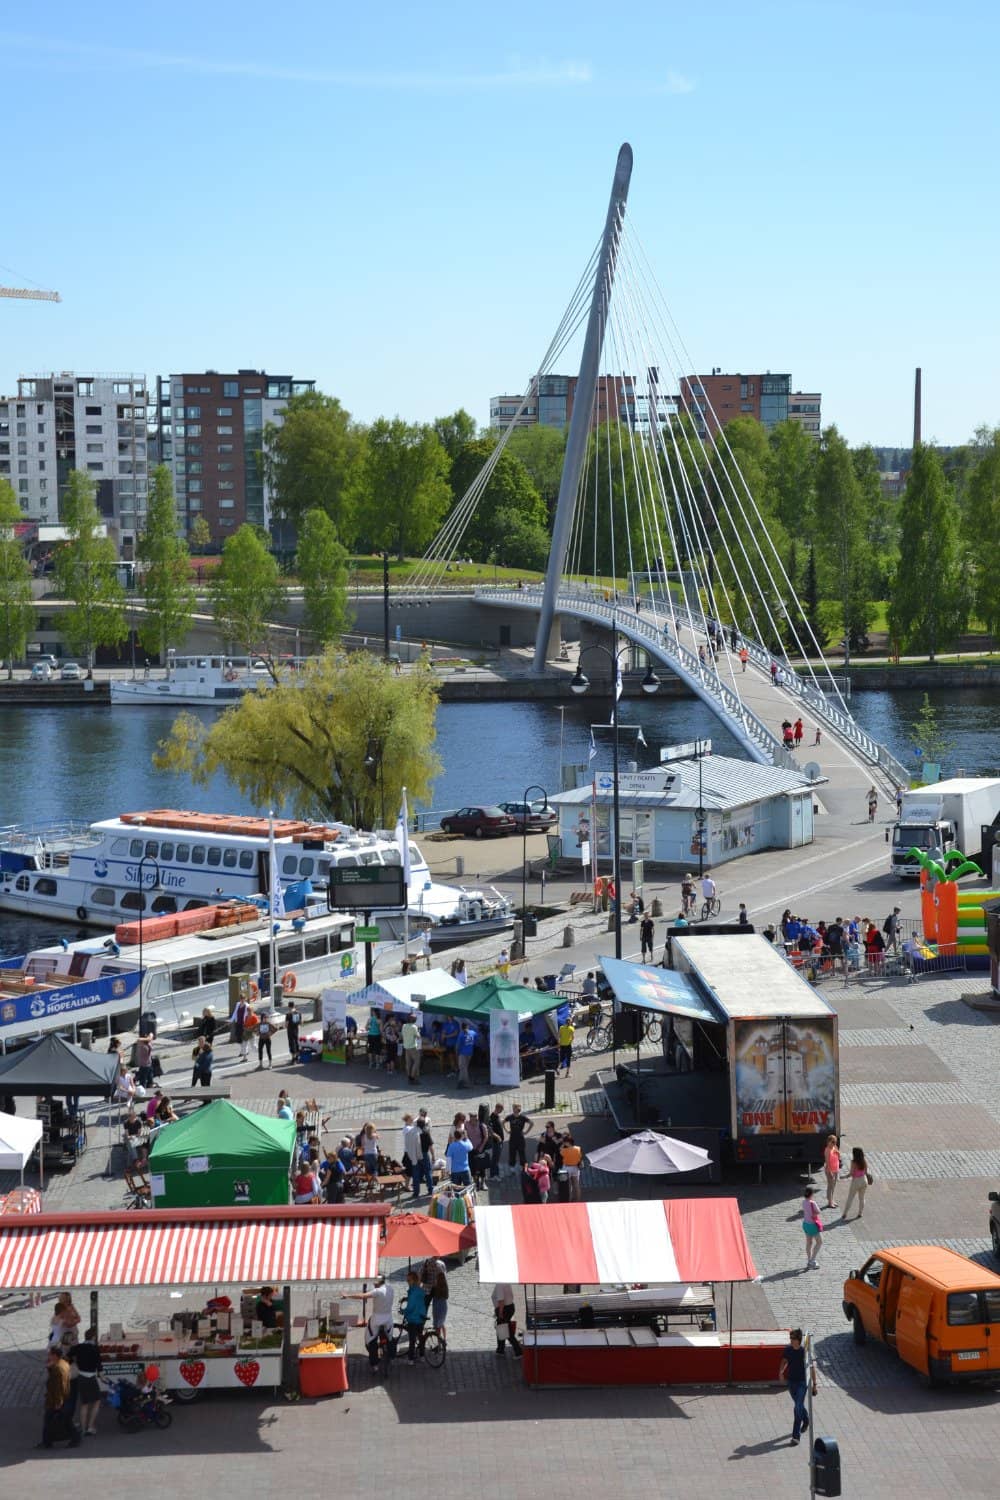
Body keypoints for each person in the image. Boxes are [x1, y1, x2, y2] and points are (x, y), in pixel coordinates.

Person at [778, 1328, 815, 1446]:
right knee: (798, 1405)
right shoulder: (788, 1349)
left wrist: (815, 1385)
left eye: (792, 1339)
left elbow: (812, 1367)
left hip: (802, 1383)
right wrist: (781, 1372)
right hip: (791, 1382)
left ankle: (795, 1436)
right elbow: (784, 1361)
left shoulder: (804, 1352)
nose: (791, 1341)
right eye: (790, 1338)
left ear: (798, 1340)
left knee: (797, 1407)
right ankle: (806, 1419)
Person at [38, 1347, 79, 1449]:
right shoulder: (62, 1364)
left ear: (55, 1356)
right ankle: (48, 1441)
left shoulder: (58, 1369)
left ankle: (47, 1442)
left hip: (56, 1400)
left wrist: (58, 1402)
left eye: (50, 1354)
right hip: (61, 1398)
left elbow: (58, 1387)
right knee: (64, 1420)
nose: (48, 1356)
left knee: (51, 1421)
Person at [74, 1325, 102, 1437]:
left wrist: (76, 1363)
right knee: (97, 1401)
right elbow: (99, 1369)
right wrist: (104, 1379)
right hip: (90, 1378)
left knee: (84, 1403)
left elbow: (69, 1356)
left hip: (81, 1377)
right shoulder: (95, 1349)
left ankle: (83, 1428)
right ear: (94, 1337)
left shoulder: (78, 1347)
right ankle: (90, 1427)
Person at [402, 1270, 428, 1361]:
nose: (407, 1282)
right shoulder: (420, 1290)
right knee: (420, 1337)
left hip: (413, 1318)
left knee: (412, 1340)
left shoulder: (413, 1293)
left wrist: (403, 1311)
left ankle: (411, 1359)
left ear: (413, 1280)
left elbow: (411, 1307)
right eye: (407, 1280)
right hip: (421, 1316)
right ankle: (422, 1356)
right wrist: (407, 1297)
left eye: (409, 1280)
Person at [492, 1282, 522, 1356]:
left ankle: (518, 1351)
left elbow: (501, 1301)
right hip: (508, 1307)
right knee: (501, 1329)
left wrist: (500, 1313)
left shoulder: (499, 1284)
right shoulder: (504, 1281)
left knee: (506, 1331)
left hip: (504, 1309)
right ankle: (500, 1349)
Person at [843, 1146, 870, 1220]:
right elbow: (866, 1171)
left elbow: (851, 1173)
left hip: (856, 1181)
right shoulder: (864, 1161)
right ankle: (860, 1213)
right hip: (864, 1180)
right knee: (862, 1198)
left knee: (850, 1198)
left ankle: (845, 1213)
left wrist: (844, 1177)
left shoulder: (853, 1162)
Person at [507, 1102, 532, 1175]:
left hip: (520, 1138)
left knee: (522, 1153)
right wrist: (507, 1130)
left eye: (515, 1108)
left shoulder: (523, 1117)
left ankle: (523, 1167)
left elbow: (531, 1123)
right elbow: (503, 1122)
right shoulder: (510, 1117)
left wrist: (526, 1132)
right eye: (514, 1108)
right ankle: (512, 1168)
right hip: (512, 1138)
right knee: (512, 1153)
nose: (514, 1109)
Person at [801, 1185, 823, 1268]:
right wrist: (814, 1214)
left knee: (809, 1243)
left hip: (805, 1224)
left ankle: (809, 1260)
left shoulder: (803, 1202)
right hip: (812, 1225)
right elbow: (818, 1211)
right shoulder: (812, 1203)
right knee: (819, 1242)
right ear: (812, 1194)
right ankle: (812, 1260)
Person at [561, 1132, 583, 1202]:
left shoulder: (564, 1150)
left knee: (568, 1186)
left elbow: (560, 1153)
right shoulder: (578, 1148)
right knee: (576, 1185)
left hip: (566, 1168)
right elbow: (580, 1157)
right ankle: (577, 1200)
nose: (564, 1143)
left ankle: (569, 1200)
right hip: (576, 1168)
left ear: (568, 1142)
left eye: (565, 1142)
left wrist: (562, 1145)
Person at [231, 993, 252, 1062]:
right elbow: (235, 1013)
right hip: (238, 1023)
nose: (242, 1000)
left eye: (243, 998)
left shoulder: (247, 1006)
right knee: (238, 1038)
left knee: (243, 1039)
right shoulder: (238, 1004)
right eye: (241, 998)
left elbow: (249, 1015)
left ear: (245, 999)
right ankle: (243, 1050)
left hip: (244, 1024)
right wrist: (231, 1020)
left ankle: (243, 1052)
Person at [401, 1013, 422, 1082]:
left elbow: (402, 1035)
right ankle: (412, 1077)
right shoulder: (414, 1027)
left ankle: (408, 1076)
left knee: (408, 1063)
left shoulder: (404, 1026)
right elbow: (418, 1037)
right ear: (414, 1020)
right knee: (416, 1062)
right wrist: (418, 1031)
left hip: (406, 1046)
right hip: (412, 1046)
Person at [431, 1264, 449, 1343]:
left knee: (438, 1325)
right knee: (441, 1323)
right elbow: (446, 1296)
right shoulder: (445, 1286)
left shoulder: (436, 1287)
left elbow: (434, 1296)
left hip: (437, 1306)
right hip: (443, 1306)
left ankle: (439, 1342)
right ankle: (444, 1339)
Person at [823, 1134, 841, 1209]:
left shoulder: (835, 1147)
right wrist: (830, 1172)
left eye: (835, 1142)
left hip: (835, 1169)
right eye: (832, 1142)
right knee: (830, 1186)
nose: (834, 1143)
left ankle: (831, 1199)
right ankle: (829, 1202)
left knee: (833, 1186)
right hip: (829, 1170)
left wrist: (838, 1153)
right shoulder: (827, 1150)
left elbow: (838, 1158)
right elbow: (827, 1162)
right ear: (828, 1142)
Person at [487, 1102, 505, 1178]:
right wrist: (497, 1137)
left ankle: (496, 1174)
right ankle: (493, 1175)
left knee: (497, 1159)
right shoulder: (491, 1118)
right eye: (501, 1109)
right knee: (495, 1159)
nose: (502, 1111)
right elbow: (490, 1130)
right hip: (496, 1142)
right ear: (497, 1108)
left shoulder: (497, 1116)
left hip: (500, 1141)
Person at [456, 1021, 476, 1088]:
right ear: (468, 1026)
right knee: (464, 1068)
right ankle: (460, 1082)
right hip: (470, 1053)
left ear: (461, 1028)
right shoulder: (473, 1032)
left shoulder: (461, 1034)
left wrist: (457, 1053)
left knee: (463, 1068)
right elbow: (476, 1038)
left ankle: (466, 1083)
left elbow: (458, 1045)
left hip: (463, 1054)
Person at [284, 999, 302, 1063]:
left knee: (291, 1043)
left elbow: (286, 1024)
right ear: (294, 1006)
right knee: (296, 1042)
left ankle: (293, 1058)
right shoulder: (298, 1013)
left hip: (290, 1030)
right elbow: (300, 1023)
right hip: (296, 1029)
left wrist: (285, 1026)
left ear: (289, 1006)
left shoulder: (288, 1014)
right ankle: (297, 1057)